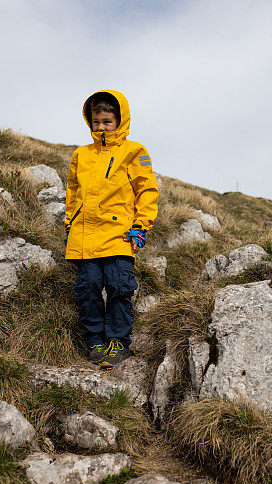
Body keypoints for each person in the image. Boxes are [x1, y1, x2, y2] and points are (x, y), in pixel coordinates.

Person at [63, 89, 158, 369]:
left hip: (119, 236)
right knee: (88, 289)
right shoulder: (81, 155)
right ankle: (95, 340)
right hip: (84, 236)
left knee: (119, 287)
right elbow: (73, 191)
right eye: (96, 121)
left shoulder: (134, 151)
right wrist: (70, 223)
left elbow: (147, 191)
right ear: (89, 122)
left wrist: (141, 225)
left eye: (107, 121)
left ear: (120, 120)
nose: (101, 126)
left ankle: (118, 342)